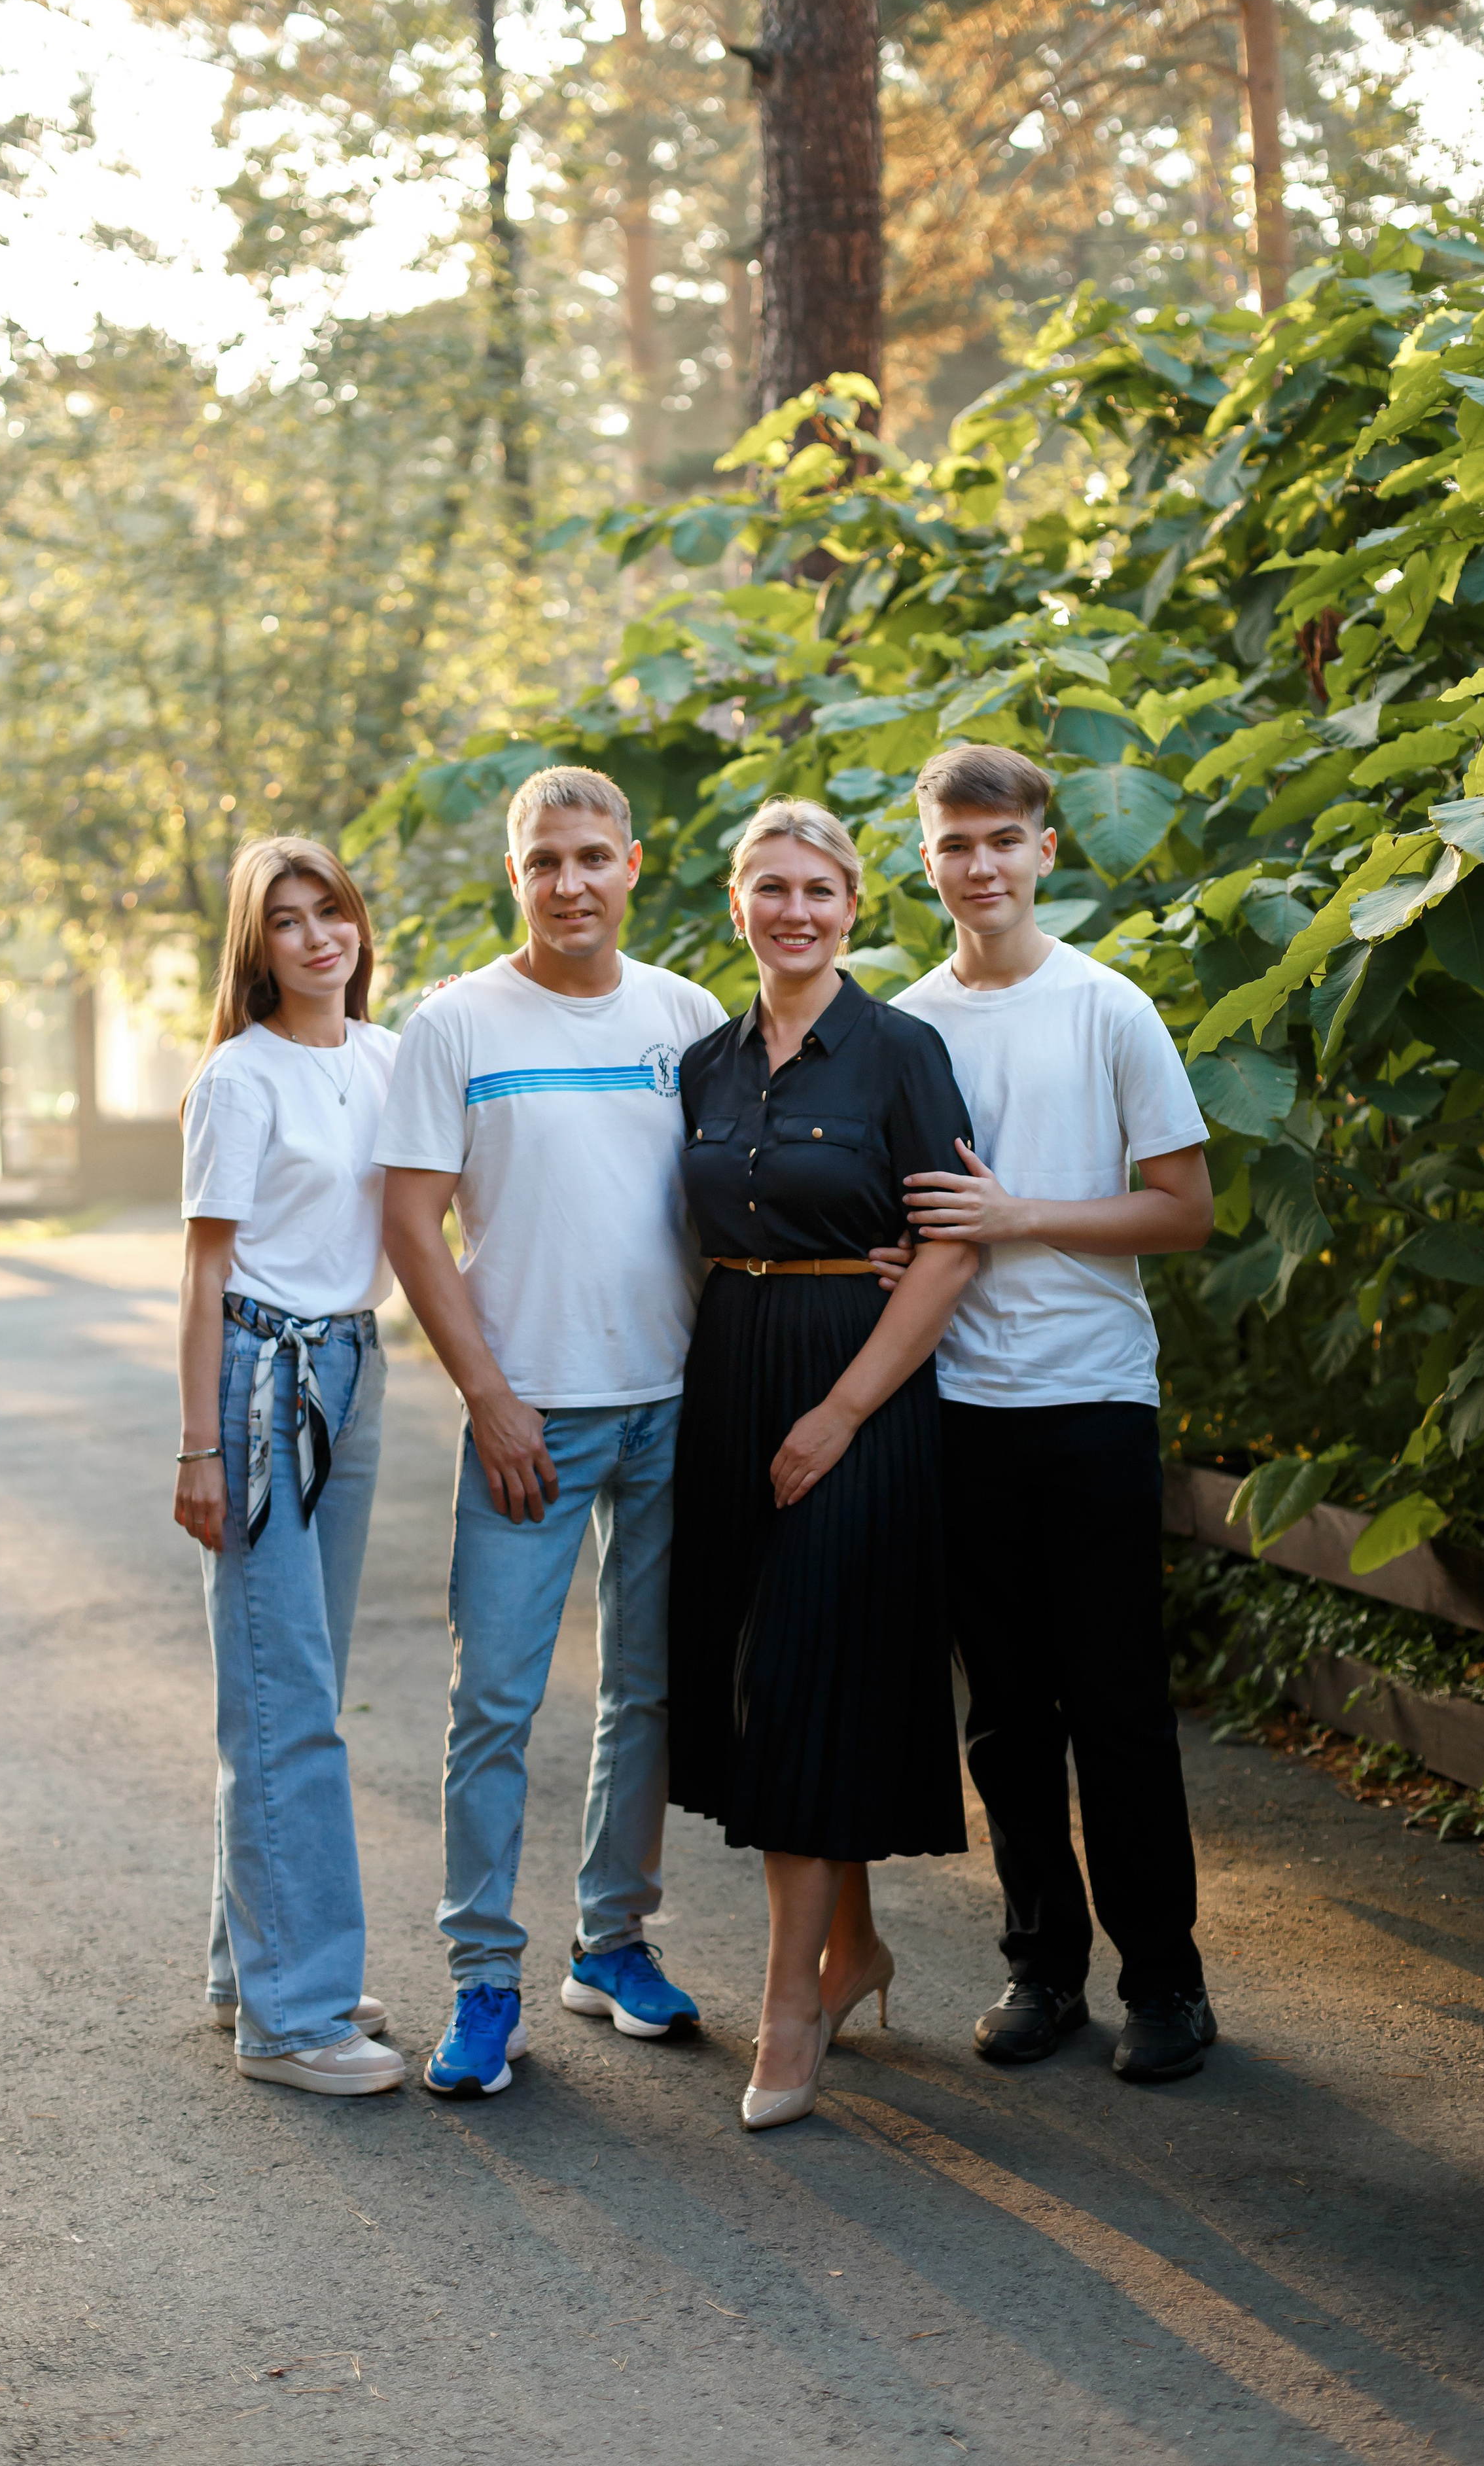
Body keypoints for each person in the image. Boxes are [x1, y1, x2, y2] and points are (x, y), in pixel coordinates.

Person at [376, 766, 730, 2100]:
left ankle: (612, 1942)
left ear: (631, 864)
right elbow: (412, 1225)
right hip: (525, 1415)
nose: (569, 882)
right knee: (497, 1703)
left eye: (591, 856)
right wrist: (488, 1398)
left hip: (671, 1407)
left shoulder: (685, 1016)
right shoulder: (454, 1021)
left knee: (646, 1689)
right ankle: (481, 1977)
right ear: (513, 877)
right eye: (543, 862)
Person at [894, 743, 1218, 2085]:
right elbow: (905, 1212)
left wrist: (1021, 1214)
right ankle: (1043, 1973)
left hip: (1088, 1397)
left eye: (1001, 841)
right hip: (958, 1404)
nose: (979, 866)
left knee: (1117, 1706)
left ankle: (1164, 1985)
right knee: (1001, 1718)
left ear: (1043, 850)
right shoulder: (905, 1024)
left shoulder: (1107, 1009)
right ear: (927, 862)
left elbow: (1184, 1210)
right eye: (954, 846)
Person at [667, 799, 978, 2134]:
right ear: (736, 904)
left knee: (805, 1672)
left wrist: (843, 1411)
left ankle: (789, 2003)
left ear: (855, 905)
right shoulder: (701, 1063)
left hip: (856, 1386)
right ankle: (853, 1953)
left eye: (818, 889)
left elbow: (953, 1249)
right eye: (769, 887)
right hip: (729, 1369)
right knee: (758, 1686)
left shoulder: (902, 1051)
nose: (794, 910)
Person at [176, 835, 404, 2096]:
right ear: (255, 947)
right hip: (259, 1383)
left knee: (295, 1679)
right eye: (288, 920)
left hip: (355, 1371)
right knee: (286, 1698)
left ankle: (247, 1970)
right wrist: (201, 1446)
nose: (319, 936)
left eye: (334, 912)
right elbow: (205, 1271)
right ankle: (297, 2018)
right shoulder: (238, 1078)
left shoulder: (388, 1057)